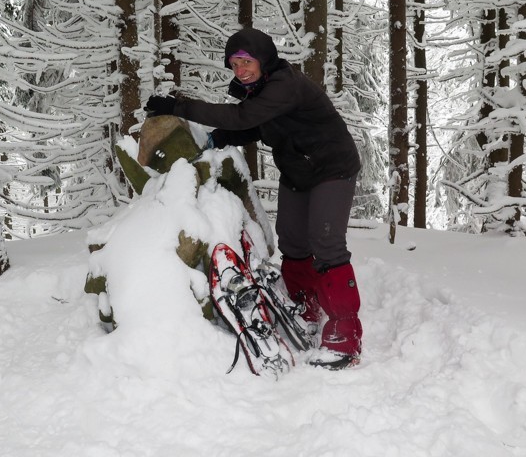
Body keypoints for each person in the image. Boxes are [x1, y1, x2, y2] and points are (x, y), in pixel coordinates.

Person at [145, 27, 363, 370]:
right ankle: (306, 306)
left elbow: (245, 116)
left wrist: (179, 106)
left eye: (246, 61)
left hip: (331, 167)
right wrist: (217, 139)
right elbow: (256, 125)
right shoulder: (261, 91)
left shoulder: (285, 85)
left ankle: (345, 336)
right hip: (298, 170)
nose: (240, 70)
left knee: (326, 242)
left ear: (263, 59)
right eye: (233, 64)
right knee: (292, 240)